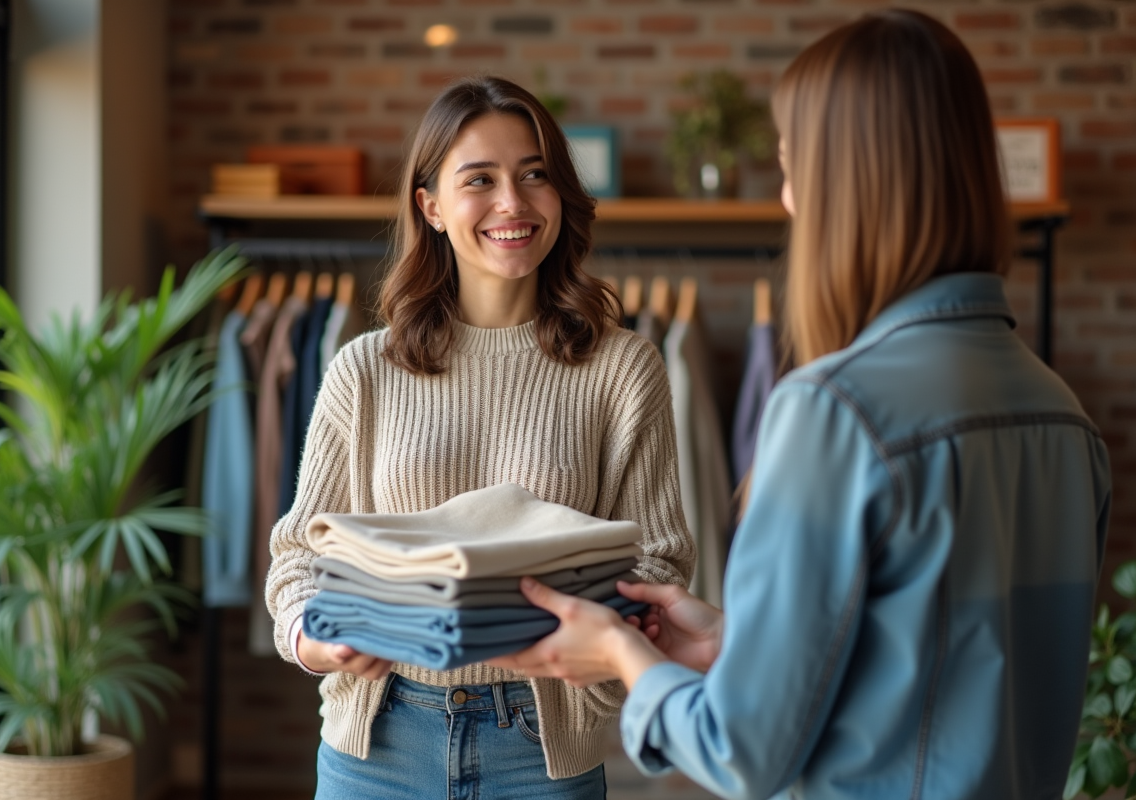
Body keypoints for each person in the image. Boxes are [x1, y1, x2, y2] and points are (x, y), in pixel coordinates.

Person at [489, 10, 1112, 800]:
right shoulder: (1062, 416)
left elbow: (740, 751)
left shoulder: (838, 411)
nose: (787, 199)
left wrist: (620, 653)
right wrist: (740, 646)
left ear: (846, 183)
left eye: (791, 167)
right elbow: (944, 675)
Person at [264, 76, 696, 799]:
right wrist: (316, 638)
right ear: (430, 206)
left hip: (539, 752)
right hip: (377, 747)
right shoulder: (363, 370)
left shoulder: (623, 369)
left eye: (535, 175)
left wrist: (593, 664)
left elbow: (659, 561)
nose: (512, 203)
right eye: (480, 180)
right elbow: (299, 557)